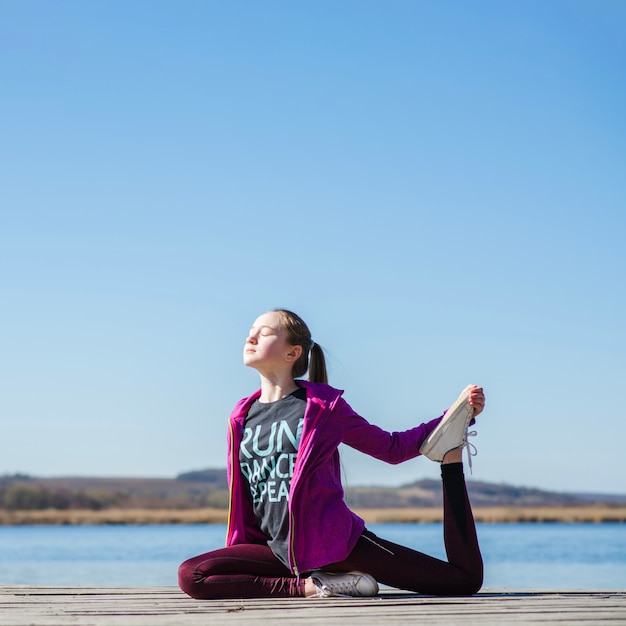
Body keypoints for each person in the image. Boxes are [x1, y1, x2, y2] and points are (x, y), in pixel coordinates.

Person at [178, 309, 485, 599]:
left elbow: (392, 449)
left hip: (336, 545)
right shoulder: (241, 416)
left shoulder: (323, 408)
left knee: (463, 580)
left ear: (292, 353)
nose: (251, 338)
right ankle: (314, 587)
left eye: (265, 332)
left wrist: (452, 418)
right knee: (192, 575)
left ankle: (450, 456)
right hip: (277, 551)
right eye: (250, 332)